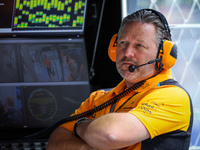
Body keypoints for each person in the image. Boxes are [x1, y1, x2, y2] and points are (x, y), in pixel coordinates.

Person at [47, 9, 193, 150]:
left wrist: (79, 124)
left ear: (163, 54)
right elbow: (55, 142)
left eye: (139, 45)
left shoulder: (174, 97)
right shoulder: (97, 99)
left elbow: (111, 134)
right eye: (123, 43)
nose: (128, 53)